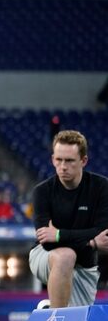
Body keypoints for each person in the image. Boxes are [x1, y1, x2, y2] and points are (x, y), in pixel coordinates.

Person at [29, 130, 108, 308]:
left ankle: (51, 307)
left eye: (70, 160)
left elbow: (104, 233)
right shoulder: (42, 191)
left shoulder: (102, 187)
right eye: (59, 160)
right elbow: (47, 242)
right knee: (65, 255)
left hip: (85, 265)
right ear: (52, 159)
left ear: (83, 161)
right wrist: (92, 242)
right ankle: (55, 318)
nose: (63, 166)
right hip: (44, 255)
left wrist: (58, 235)